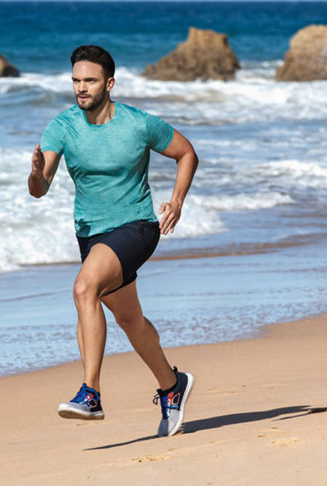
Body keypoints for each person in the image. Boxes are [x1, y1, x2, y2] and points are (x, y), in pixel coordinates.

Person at [28, 45, 199, 437]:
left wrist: (176, 200)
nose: (81, 88)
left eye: (89, 80)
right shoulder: (62, 126)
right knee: (128, 318)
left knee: (84, 287)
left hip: (137, 226)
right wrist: (36, 173)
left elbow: (186, 153)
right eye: (75, 81)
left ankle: (91, 394)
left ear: (109, 83)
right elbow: (40, 189)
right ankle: (173, 386)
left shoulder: (138, 123)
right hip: (91, 234)